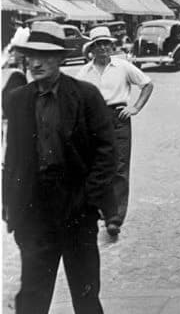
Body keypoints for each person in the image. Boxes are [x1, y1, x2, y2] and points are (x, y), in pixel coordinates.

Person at [2, 21, 116, 314]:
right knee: (33, 294)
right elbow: (12, 157)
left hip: (76, 205)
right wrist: (11, 208)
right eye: (31, 56)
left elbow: (106, 153)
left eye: (45, 56)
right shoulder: (18, 100)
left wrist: (90, 198)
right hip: (35, 208)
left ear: (60, 59)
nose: (36, 63)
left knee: (85, 291)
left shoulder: (86, 96)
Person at [77, 26, 153, 237]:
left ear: (112, 46)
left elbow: (147, 84)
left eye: (106, 44)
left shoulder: (123, 66)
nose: (103, 48)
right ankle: (102, 209)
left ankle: (115, 217)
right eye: (98, 44)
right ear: (91, 48)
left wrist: (135, 108)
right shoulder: (84, 72)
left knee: (119, 166)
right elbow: (77, 99)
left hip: (118, 118)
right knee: (97, 165)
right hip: (94, 121)